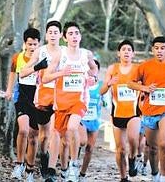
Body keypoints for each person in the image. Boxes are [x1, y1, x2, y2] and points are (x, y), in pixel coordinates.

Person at [42, 21, 98, 182]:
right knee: (56, 134)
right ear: (65, 38)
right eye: (70, 34)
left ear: (80, 36)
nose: (74, 36)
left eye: (77, 33)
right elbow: (46, 77)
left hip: (80, 100)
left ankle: (74, 165)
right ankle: (52, 171)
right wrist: (61, 73)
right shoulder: (60, 55)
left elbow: (94, 68)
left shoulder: (86, 54)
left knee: (73, 127)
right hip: (61, 101)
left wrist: (93, 77)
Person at [128, 36, 165, 182]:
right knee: (153, 148)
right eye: (156, 48)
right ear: (152, 50)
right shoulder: (144, 66)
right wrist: (145, 88)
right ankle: (155, 174)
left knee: (163, 143)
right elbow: (130, 83)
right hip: (149, 111)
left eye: (162, 48)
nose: (159, 51)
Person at [20, 20, 63, 179]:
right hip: (40, 98)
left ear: (60, 35)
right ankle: (36, 162)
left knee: (53, 132)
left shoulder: (65, 52)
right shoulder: (40, 51)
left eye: (55, 32)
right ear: (46, 35)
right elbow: (23, 72)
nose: (52, 35)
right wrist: (38, 67)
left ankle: (50, 168)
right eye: (50, 32)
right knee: (36, 136)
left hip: (59, 98)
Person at [5, 27, 47, 182]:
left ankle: (30, 170)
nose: (32, 47)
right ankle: (19, 164)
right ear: (25, 43)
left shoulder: (44, 59)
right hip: (22, 96)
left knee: (34, 137)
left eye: (35, 44)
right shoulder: (18, 58)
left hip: (38, 99)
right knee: (23, 129)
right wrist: (9, 90)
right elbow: (12, 74)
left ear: (39, 44)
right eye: (29, 44)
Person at [100, 39, 141, 182]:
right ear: (119, 53)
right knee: (120, 149)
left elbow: (146, 86)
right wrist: (109, 84)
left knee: (133, 138)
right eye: (123, 49)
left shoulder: (138, 69)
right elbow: (102, 90)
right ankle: (123, 177)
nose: (126, 52)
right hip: (117, 113)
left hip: (134, 112)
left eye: (129, 50)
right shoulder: (113, 68)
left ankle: (133, 157)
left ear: (133, 54)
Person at [78, 59, 107, 181]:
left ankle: (82, 174)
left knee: (90, 148)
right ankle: (72, 163)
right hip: (82, 119)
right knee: (82, 142)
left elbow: (106, 102)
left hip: (95, 120)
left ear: (97, 71)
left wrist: (104, 102)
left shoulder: (101, 86)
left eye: (93, 69)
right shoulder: (81, 83)